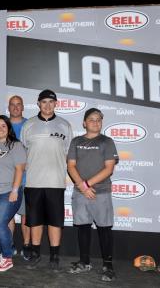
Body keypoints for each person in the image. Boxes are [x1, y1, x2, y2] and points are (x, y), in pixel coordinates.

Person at [20, 89, 72, 271]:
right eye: (44, 102)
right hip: (33, 182)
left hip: (56, 183)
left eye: (51, 102)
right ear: (38, 104)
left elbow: (68, 155)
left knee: (55, 222)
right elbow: (23, 153)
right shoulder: (29, 125)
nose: (47, 105)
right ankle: (35, 254)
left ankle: (54, 256)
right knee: (34, 221)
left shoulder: (65, 125)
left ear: (56, 103)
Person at [67, 108, 118, 282]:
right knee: (83, 227)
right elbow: (71, 166)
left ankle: (108, 265)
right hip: (80, 192)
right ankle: (84, 262)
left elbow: (109, 168)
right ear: (84, 123)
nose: (95, 122)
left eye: (98, 119)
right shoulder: (76, 141)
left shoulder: (107, 141)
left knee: (104, 229)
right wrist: (82, 186)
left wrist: (87, 185)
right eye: (91, 119)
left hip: (101, 193)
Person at [0, 115, 26, 272]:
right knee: (0, 223)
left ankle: (7, 257)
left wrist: (15, 190)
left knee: (0, 223)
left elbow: (20, 169)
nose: (0, 129)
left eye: (3, 125)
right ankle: (9, 247)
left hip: (7, 192)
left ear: (8, 128)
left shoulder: (15, 145)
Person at [7, 95, 31, 260]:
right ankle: (8, 244)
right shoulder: (2, 125)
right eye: (12, 104)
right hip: (6, 180)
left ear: (23, 107)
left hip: (26, 179)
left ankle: (27, 245)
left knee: (25, 215)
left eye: (18, 104)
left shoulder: (30, 125)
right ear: (8, 107)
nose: (15, 107)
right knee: (7, 215)